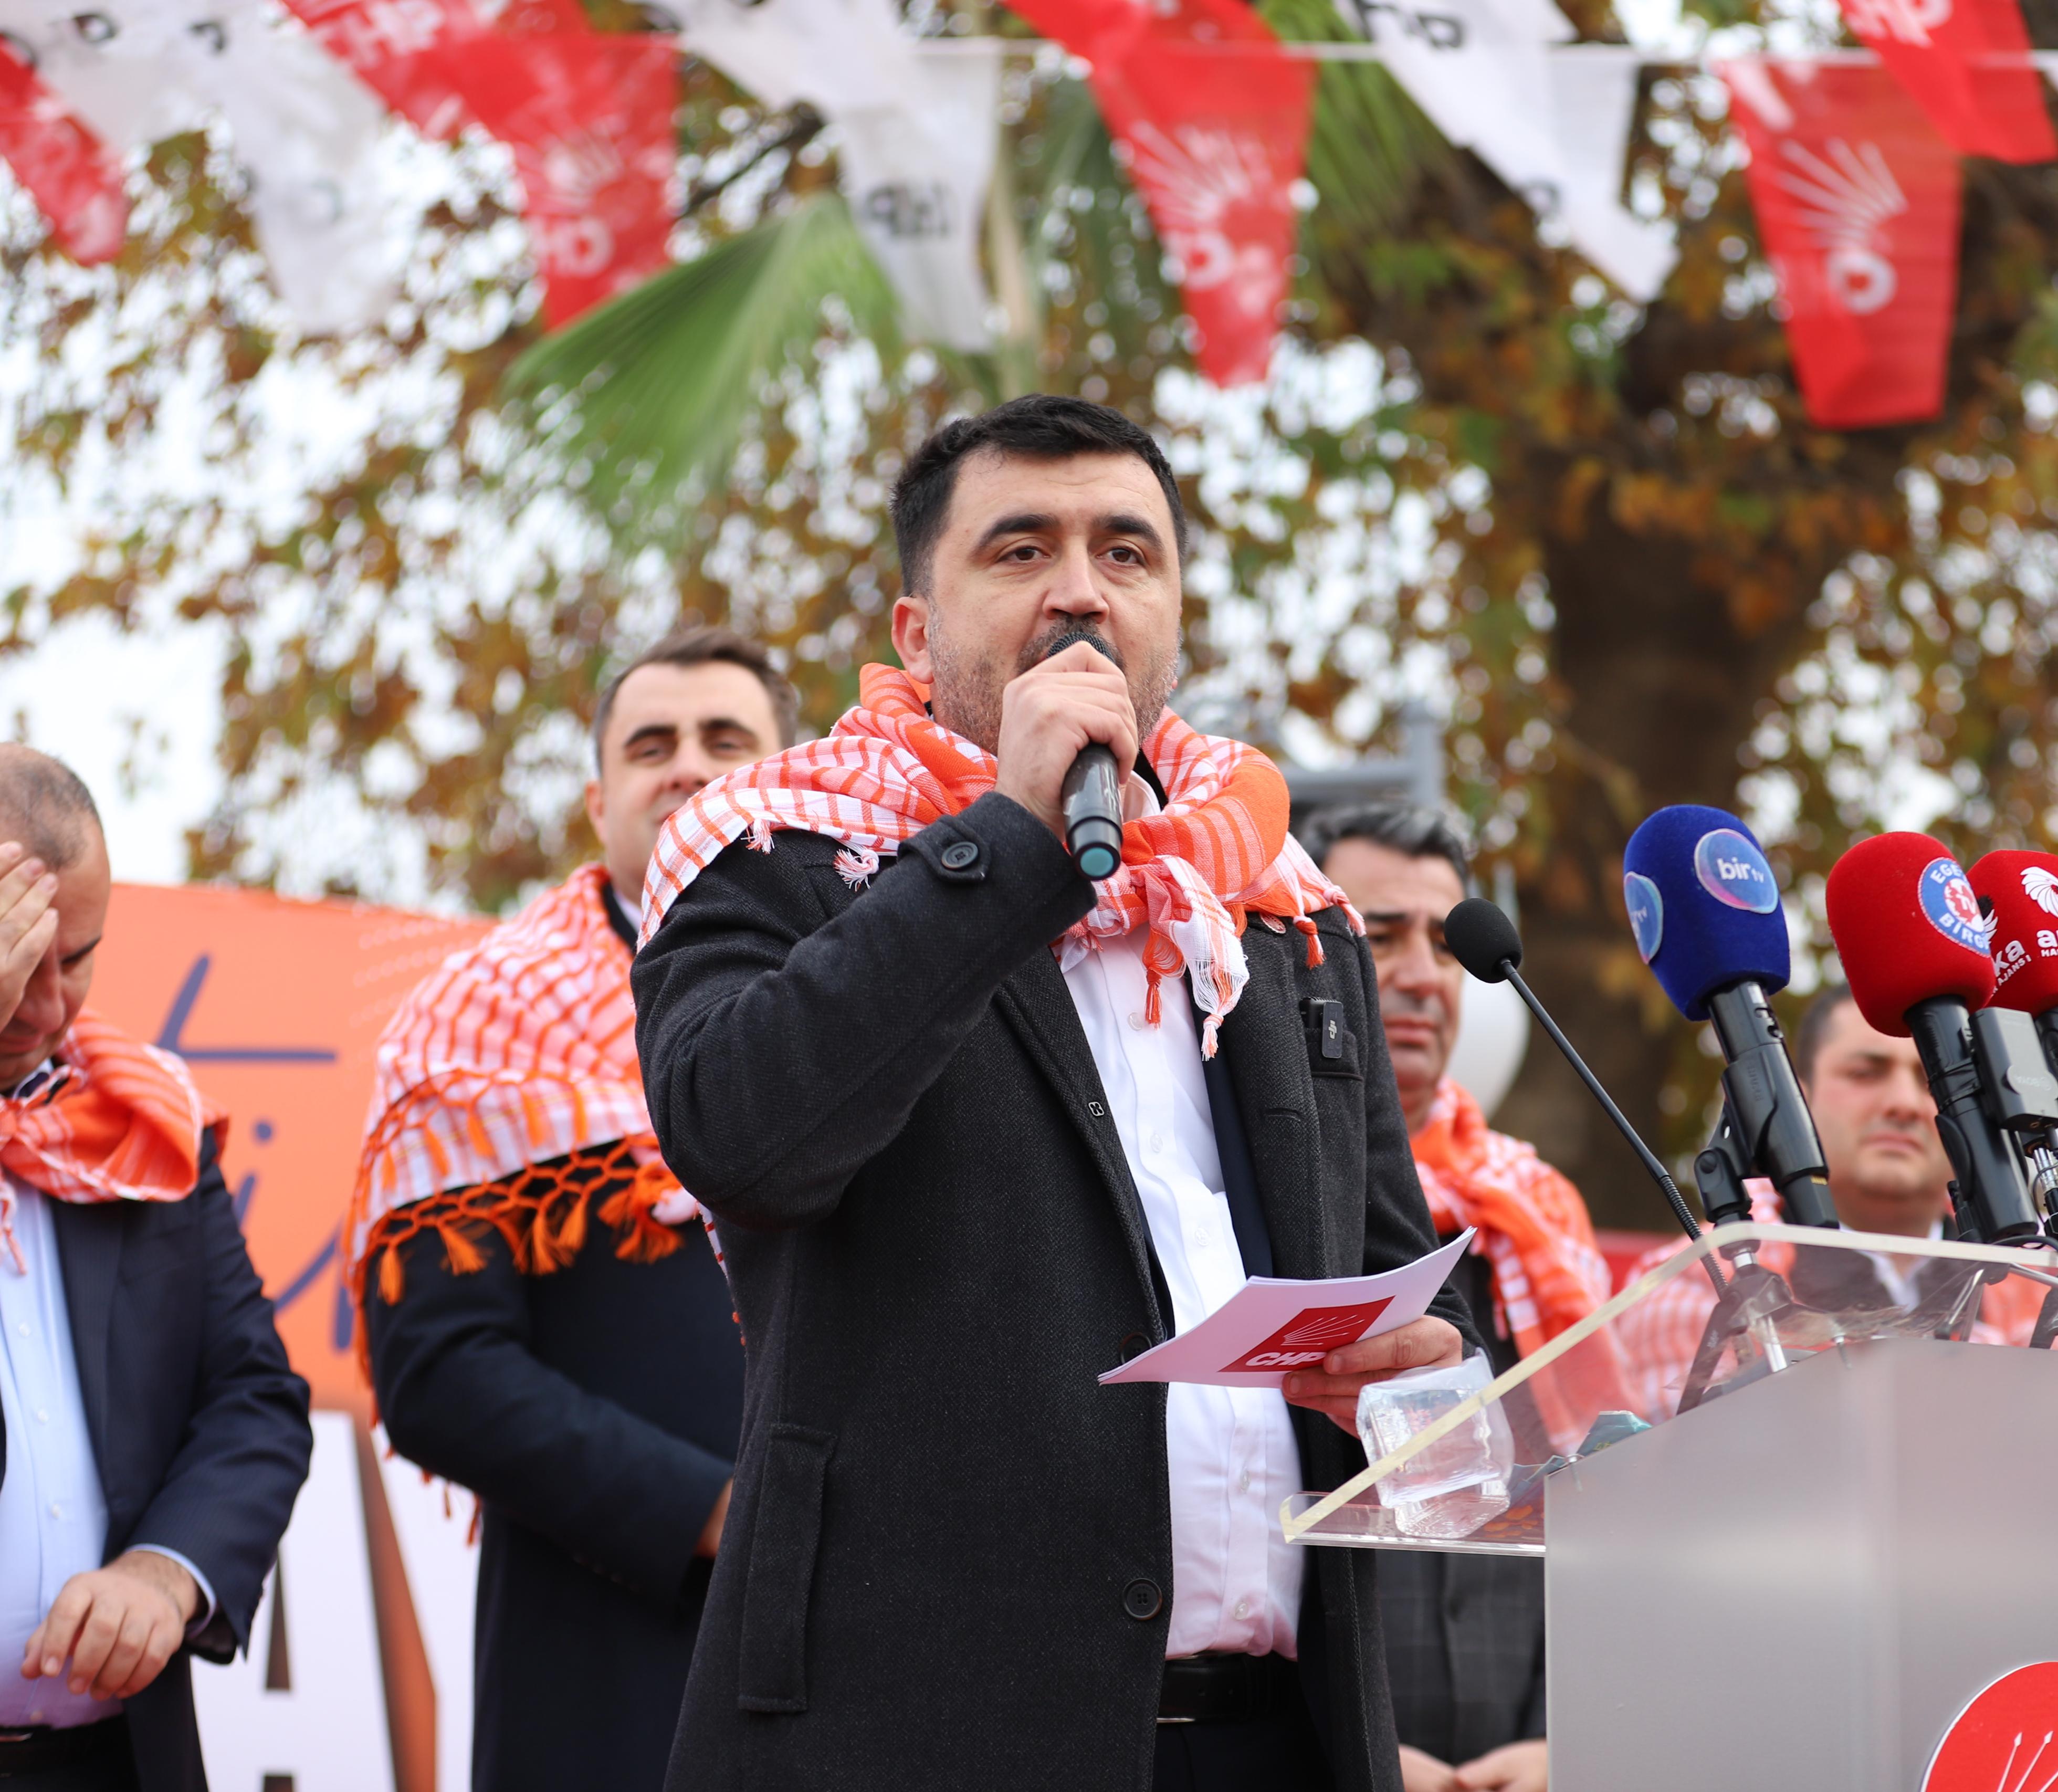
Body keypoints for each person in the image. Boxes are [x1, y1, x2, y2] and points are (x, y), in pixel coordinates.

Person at [631, 395, 1473, 1792]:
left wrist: (1417, 1368)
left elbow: (1407, 1272)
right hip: (918, 1740)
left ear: (1173, 617)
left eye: (1126, 553)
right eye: (1021, 549)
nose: (1082, 589)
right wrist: (1012, 842)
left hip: (1281, 1736)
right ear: (917, 632)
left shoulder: (1281, 908)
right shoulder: (777, 849)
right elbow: (744, 1136)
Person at [347, 628, 793, 1792]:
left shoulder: (889, 983)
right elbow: (437, 1369)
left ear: (793, 776)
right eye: (652, 744)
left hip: (878, 1636)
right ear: (600, 801)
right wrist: (710, 1511)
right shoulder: (478, 1030)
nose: (687, 765)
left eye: (726, 738)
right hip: (612, 1660)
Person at [0, 747, 311, 1791]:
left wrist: (164, 1571)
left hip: (118, 1759)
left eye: (78, 958)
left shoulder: (144, 1124)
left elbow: (253, 1398)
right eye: (17, 954)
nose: (49, 1008)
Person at [1297, 802, 1609, 1792]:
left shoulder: (1537, 1219)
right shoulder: (1245, 1202)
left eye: (1443, 943)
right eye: (1377, 937)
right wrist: (1342, 1748)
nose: (1422, 975)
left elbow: (1602, 1504)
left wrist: (1570, 1742)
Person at [1614, 980, 1962, 1417]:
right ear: (1798, 1100)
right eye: (1865, 1072)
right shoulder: (1702, 1281)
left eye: (1931, 1080)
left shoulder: (2035, 1279)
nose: (1904, 1103)